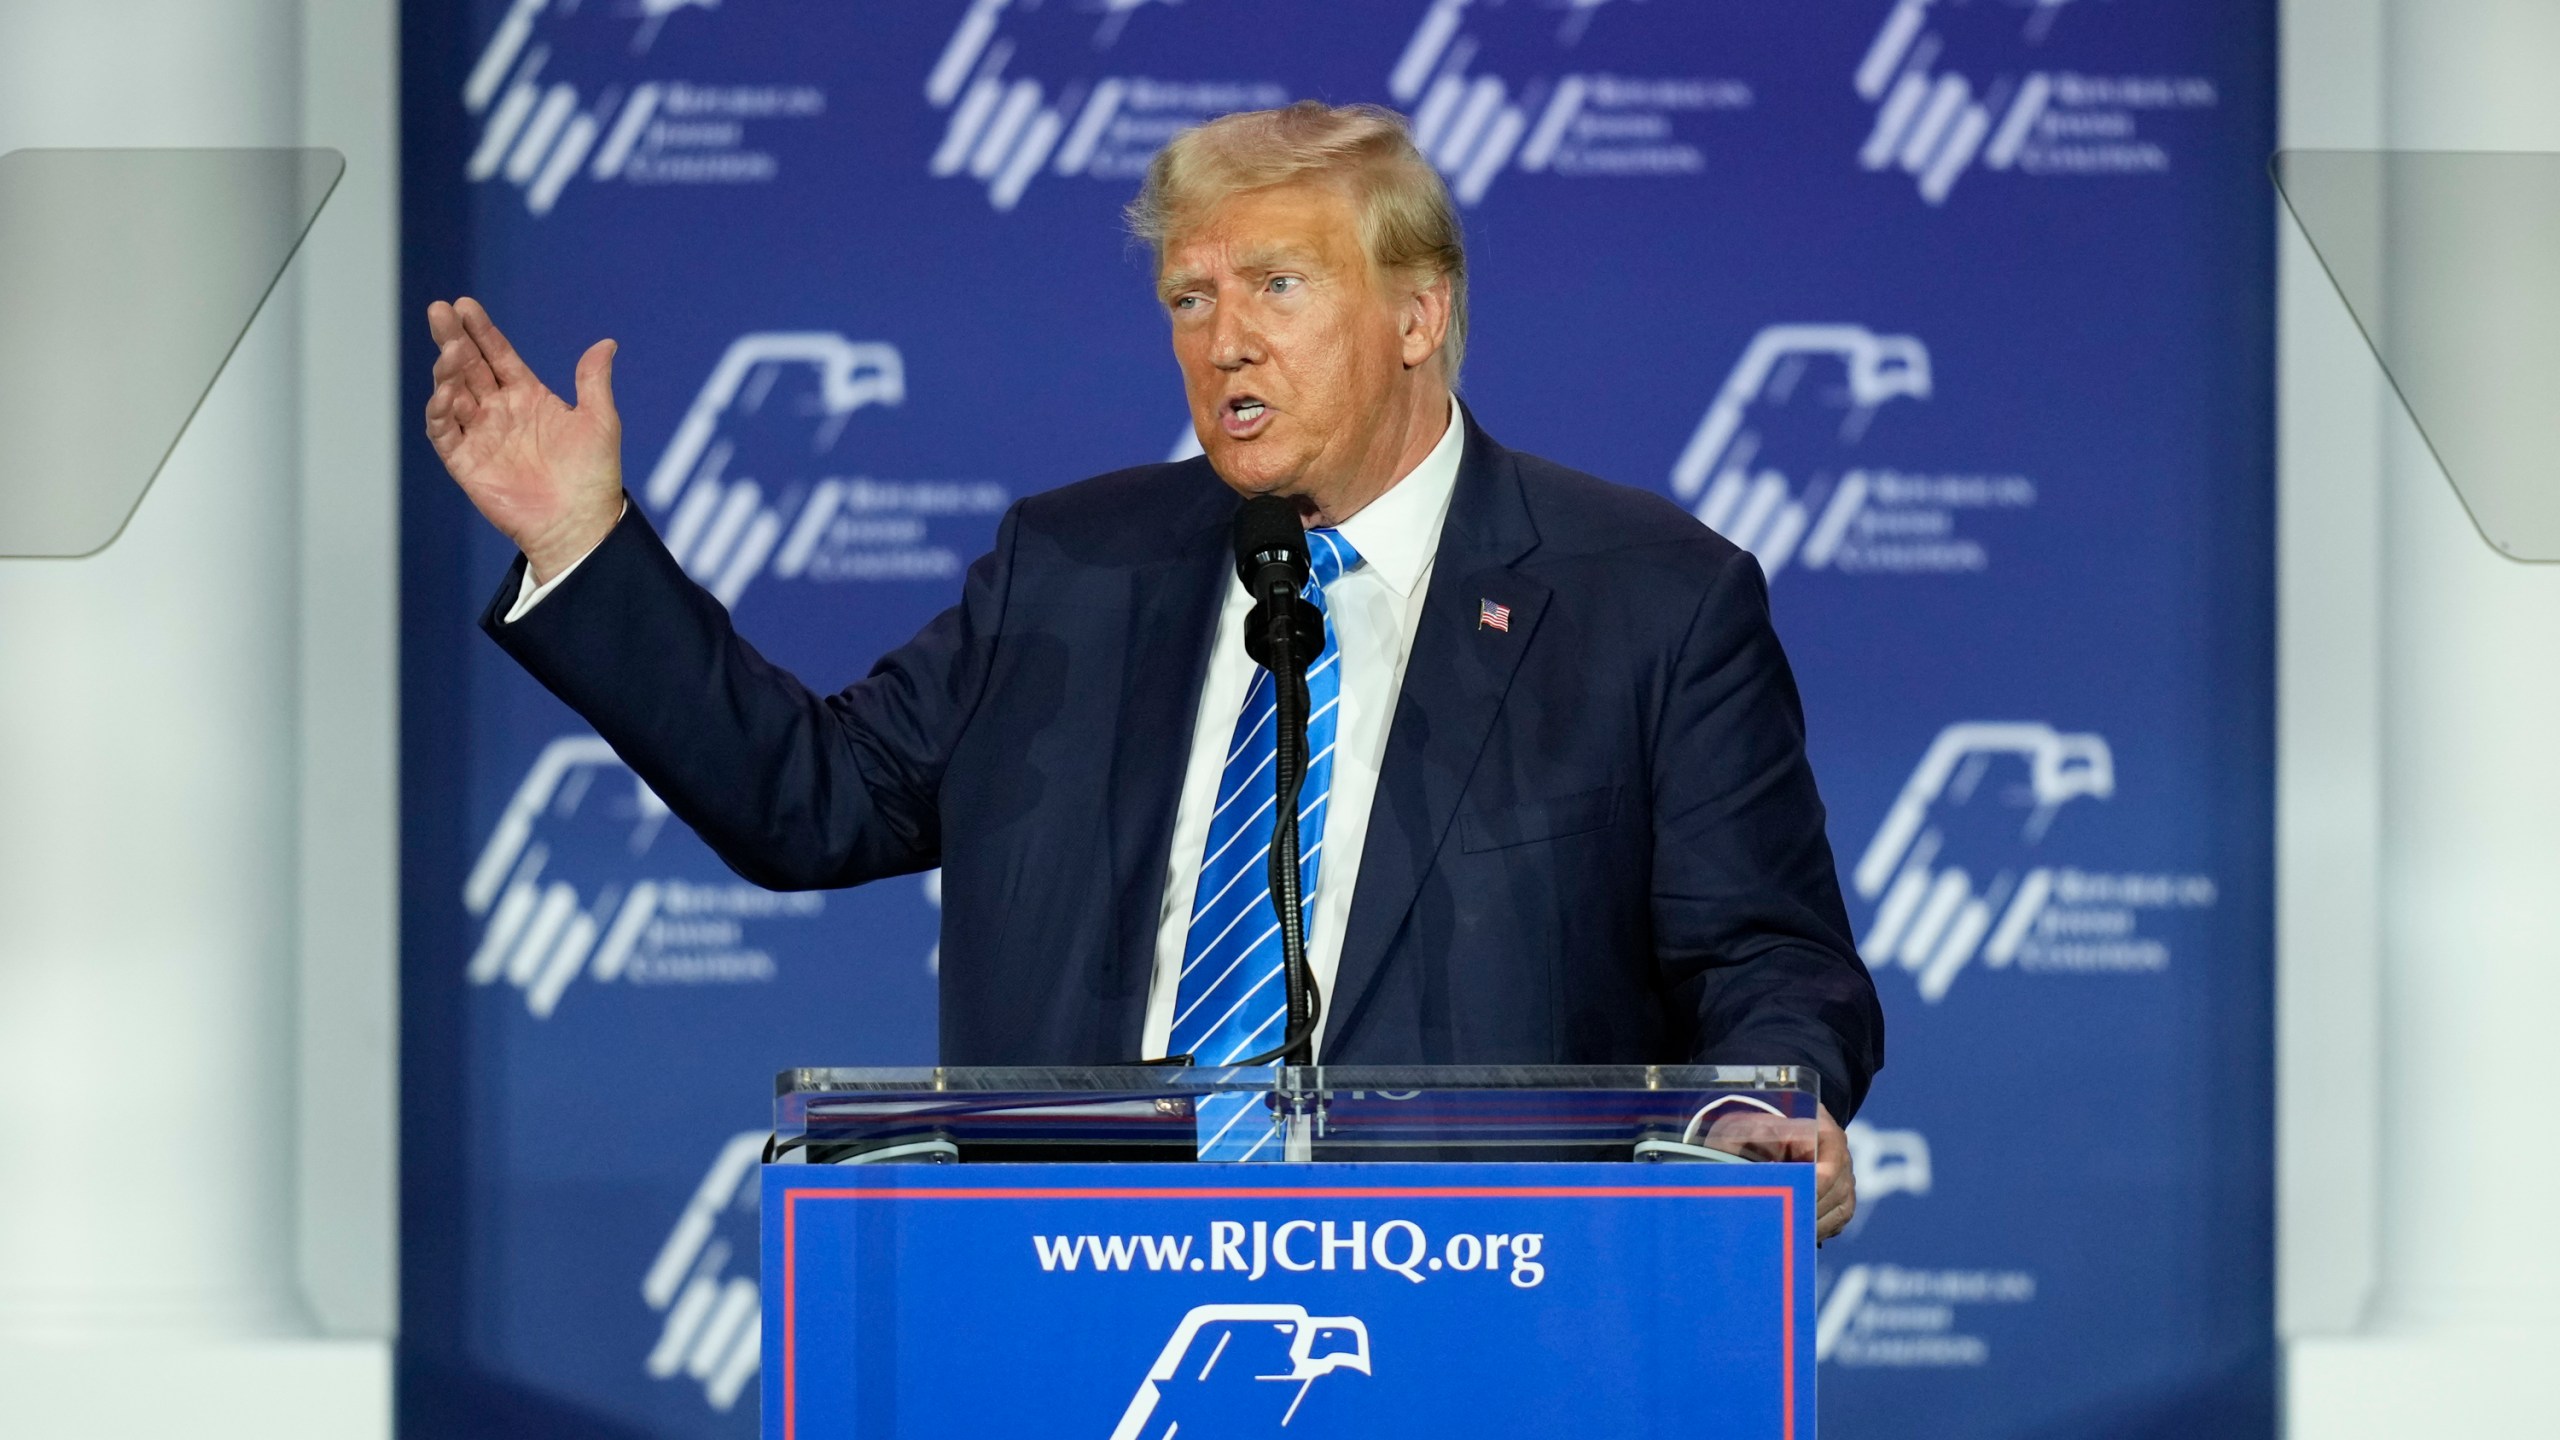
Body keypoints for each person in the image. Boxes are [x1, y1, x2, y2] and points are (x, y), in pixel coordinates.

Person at [423, 102, 1881, 1236]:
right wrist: (584, 537)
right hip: (1080, 1291)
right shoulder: (1076, 566)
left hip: (1486, 1300)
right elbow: (811, 800)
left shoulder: (1645, 598)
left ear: (1419, 313)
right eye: (1190, 298)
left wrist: (1764, 1106)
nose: (1225, 340)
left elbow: (1767, 955)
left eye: (1279, 285)